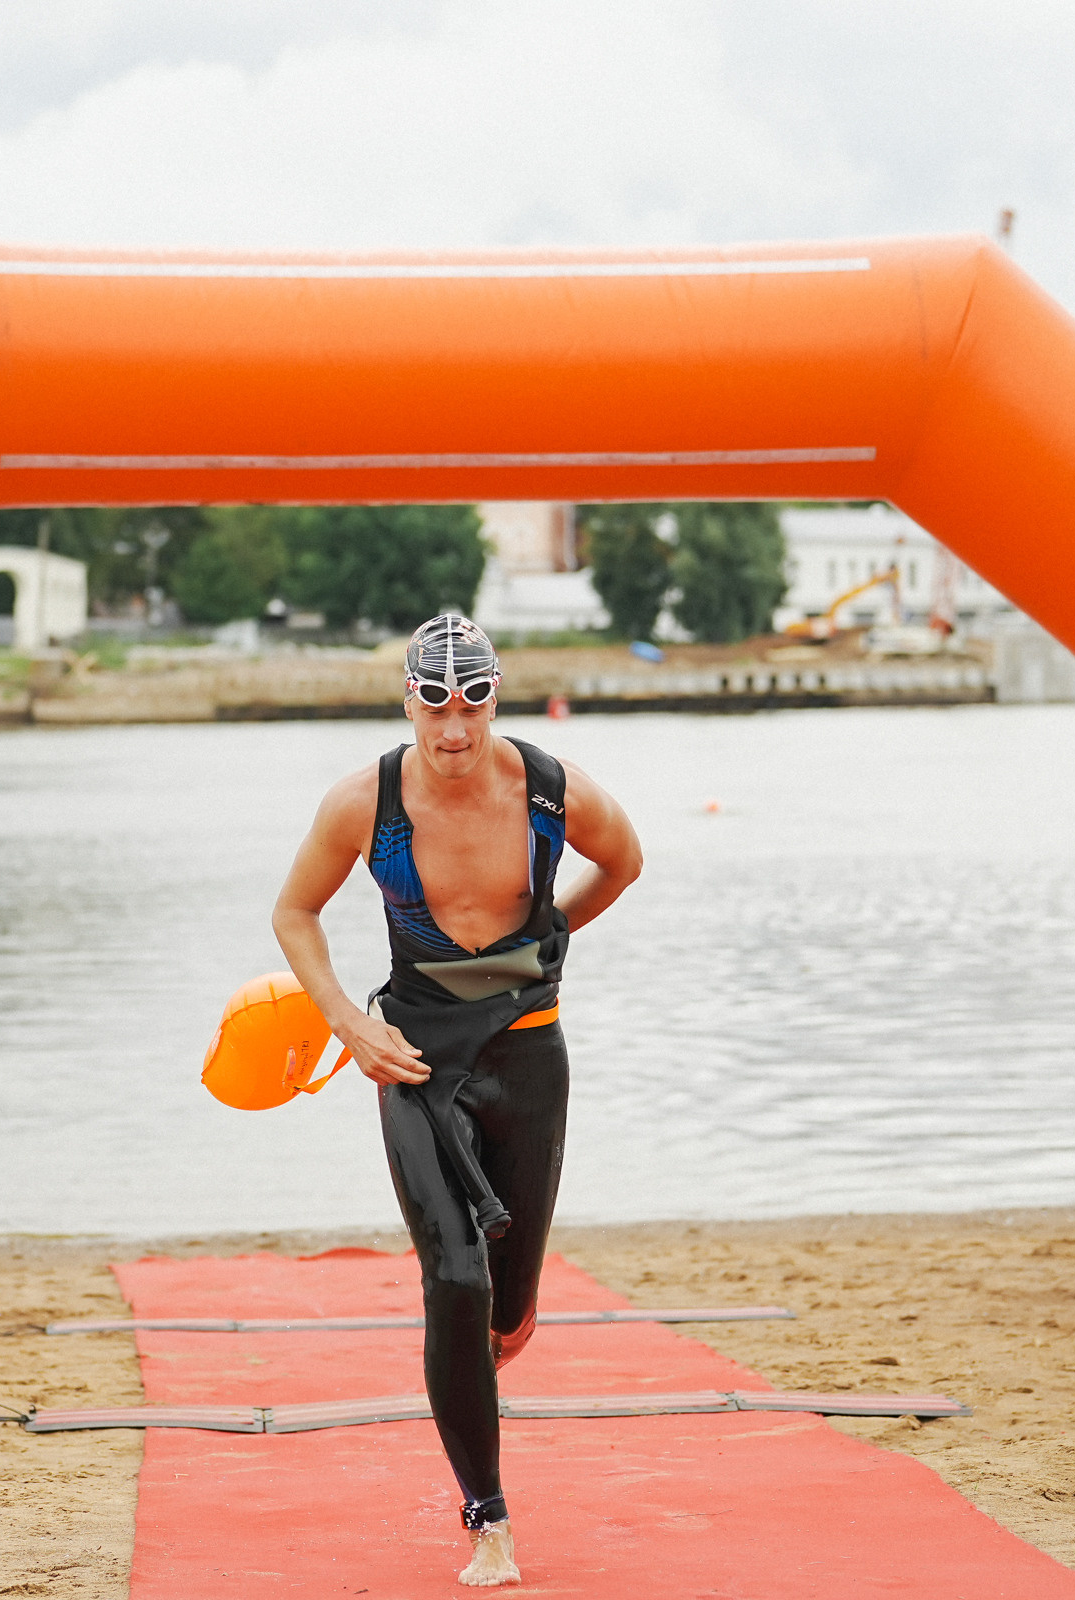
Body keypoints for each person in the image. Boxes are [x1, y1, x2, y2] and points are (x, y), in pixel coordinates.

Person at [273, 614, 643, 1588]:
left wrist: (550, 934)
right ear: (408, 703)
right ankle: (489, 1518)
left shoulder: (551, 792)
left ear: (493, 699)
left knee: (506, 1314)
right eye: (434, 706)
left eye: (471, 705)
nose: (453, 729)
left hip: (528, 1056)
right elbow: (294, 911)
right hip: (416, 1061)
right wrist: (350, 1024)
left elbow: (626, 860)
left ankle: (482, 1353)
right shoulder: (365, 804)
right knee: (455, 1279)